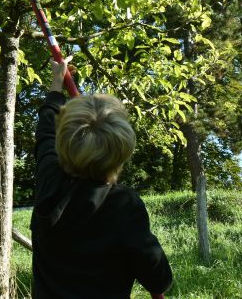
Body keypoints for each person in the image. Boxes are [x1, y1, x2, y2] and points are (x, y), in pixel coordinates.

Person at [31, 58, 173, 298]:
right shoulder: (124, 205)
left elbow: (45, 130)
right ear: (123, 151)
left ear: (61, 143)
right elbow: (157, 277)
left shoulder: (49, 181)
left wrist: (57, 84)